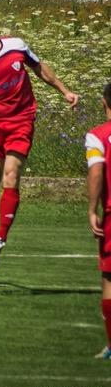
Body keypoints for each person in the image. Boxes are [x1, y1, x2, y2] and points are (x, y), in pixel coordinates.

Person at [0, 13, 79, 266]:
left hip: (21, 120)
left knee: (12, 175)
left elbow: (39, 68)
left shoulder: (16, 45)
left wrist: (65, 91)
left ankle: (0, 239)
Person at [86, 82, 111, 360]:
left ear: (105, 103)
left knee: (109, 277)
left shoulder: (97, 136)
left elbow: (96, 172)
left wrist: (93, 209)